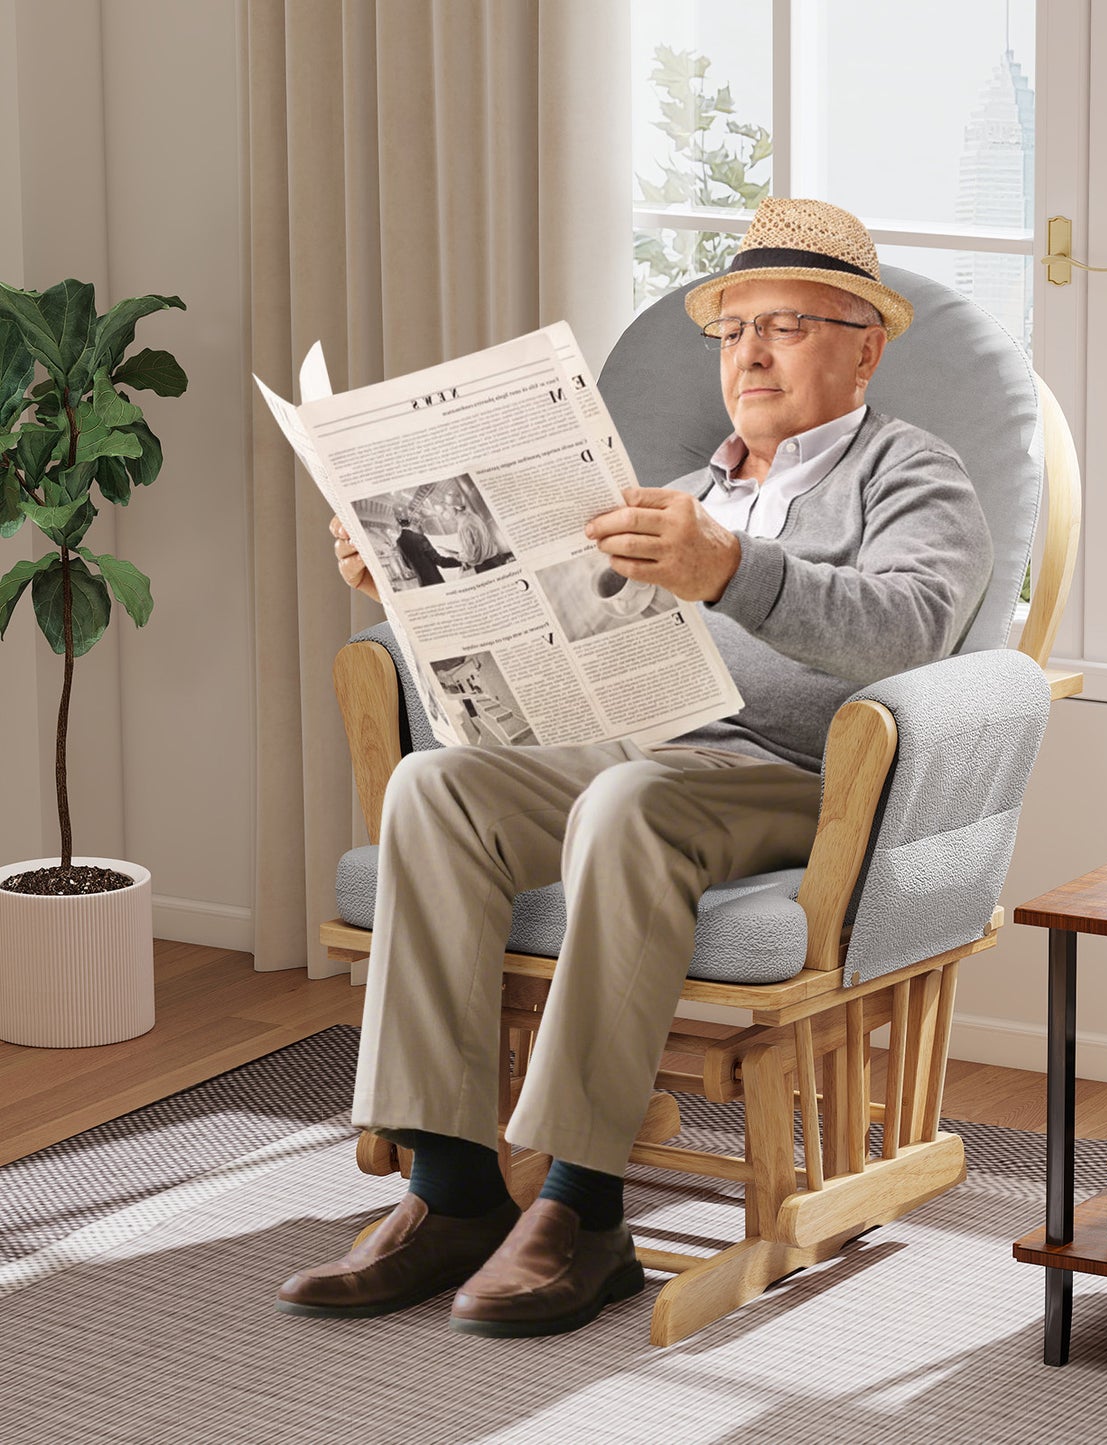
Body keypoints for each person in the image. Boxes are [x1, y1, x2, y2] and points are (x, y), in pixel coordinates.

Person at [278, 198, 993, 1337]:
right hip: (645, 749)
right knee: (435, 787)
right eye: (733, 329)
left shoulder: (910, 474)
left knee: (630, 797)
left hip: (800, 779)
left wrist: (733, 571)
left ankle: (582, 1206)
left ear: (864, 347)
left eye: (787, 326)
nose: (751, 354)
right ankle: (451, 1189)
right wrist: (412, 586)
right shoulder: (681, 494)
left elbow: (909, 628)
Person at [394, 510, 462, 587]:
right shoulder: (420, 538)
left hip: (423, 584)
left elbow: (407, 565)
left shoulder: (399, 542)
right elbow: (439, 561)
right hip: (435, 581)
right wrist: (461, 561)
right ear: (412, 521)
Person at [453, 499, 507, 574]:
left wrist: (457, 557)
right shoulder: (473, 516)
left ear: (454, 510)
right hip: (496, 559)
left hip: (486, 566)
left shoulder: (463, 527)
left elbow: (469, 555)